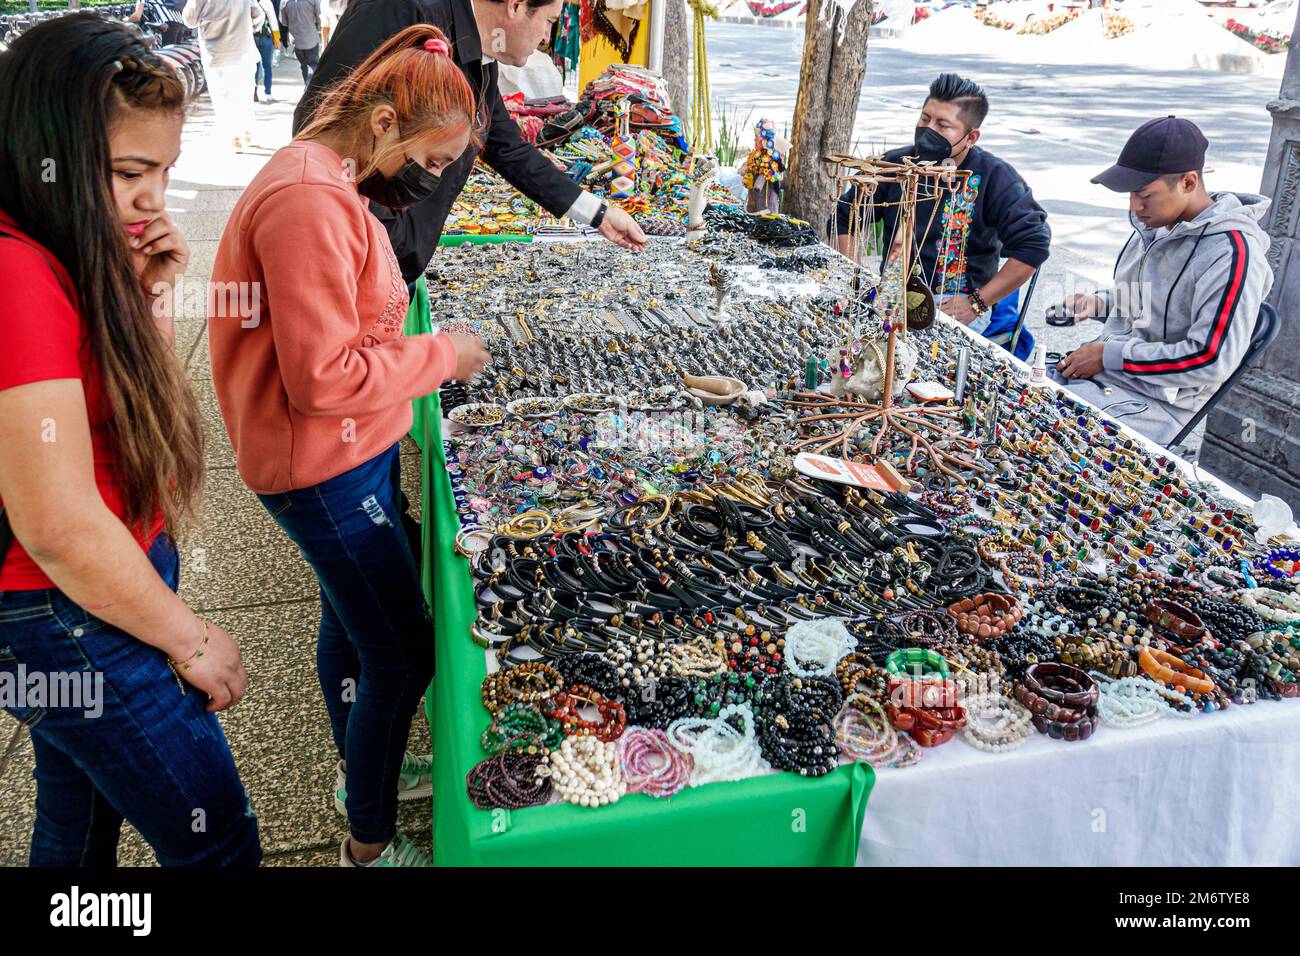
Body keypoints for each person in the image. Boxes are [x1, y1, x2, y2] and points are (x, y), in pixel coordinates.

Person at [209, 23, 491, 868]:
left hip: (345, 453)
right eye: (433, 161)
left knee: (355, 619)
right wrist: (445, 355)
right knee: (401, 652)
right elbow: (324, 379)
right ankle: (366, 842)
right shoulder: (307, 199)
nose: (434, 178)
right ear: (380, 125)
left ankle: (358, 769)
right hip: (319, 466)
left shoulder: (327, 174)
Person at [0, 14, 260, 867]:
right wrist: (190, 638)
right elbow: (59, 524)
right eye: (129, 172)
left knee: (79, 814)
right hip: (63, 606)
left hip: (100, 583)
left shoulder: (65, 244)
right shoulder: (16, 274)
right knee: (218, 837)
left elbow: (125, 406)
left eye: (165, 172)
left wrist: (148, 291)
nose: (154, 198)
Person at [293, 0, 647, 290]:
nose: (546, 37)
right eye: (549, 21)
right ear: (515, 6)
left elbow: (505, 146)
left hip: (392, 261)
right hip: (352, 259)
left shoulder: (480, 52)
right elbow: (321, 119)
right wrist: (382, 234)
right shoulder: (401, 10)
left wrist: (596, 213)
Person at [1055, 116, 1274, 446]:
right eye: (1130, 194)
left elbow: (1209, 359)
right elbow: (1147, 304)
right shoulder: (1153, 227)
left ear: (1188, 183)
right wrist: (1100, 304)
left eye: (1145, 195)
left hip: (1160, 407)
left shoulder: (1232, 253)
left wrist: (1108, 354)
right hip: (1107, 379)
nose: (1135, 206)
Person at [833, 73, 1051, 361]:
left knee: (908, 362)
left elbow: (1033, 245)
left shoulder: (995, 178)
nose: (927, 130)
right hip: (892, 297)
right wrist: (856, 278)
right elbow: (846, 213)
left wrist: (977, 302)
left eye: (942, 125)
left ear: (971, 136)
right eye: (925, 119)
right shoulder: (897, 165)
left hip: (954, 307)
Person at [182, 0, 258, 150]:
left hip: (215, 54)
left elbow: (189, 20)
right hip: (243, 51)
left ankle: (232, 135)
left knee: (221, 97)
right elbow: (257, 14)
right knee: (244, 93)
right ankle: (246, 130)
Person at [280, 0, 322, 83]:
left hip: (296, 41)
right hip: (311, 39)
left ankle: (307, 85)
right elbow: (319, 17)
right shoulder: (313, 1)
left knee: (304, 66)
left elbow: (284, 22)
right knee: (313, 65)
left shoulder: (284, 2)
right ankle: (311, 87)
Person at [251, 0, 282, 103]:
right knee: (266, 66)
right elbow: (273, 21)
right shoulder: (266, 2)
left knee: (253, 67)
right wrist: (277, 39)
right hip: (265, 37)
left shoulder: (247, 2)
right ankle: (268, 94)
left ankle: (253, 93)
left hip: (251, 38)